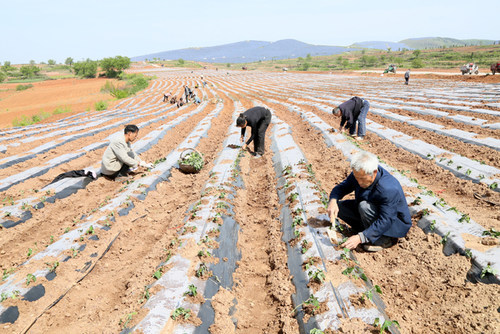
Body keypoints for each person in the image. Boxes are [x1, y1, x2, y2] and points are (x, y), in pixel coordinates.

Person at [327, 151, 411, 252]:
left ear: (374, 173)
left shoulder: (388, 188)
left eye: (362, 179)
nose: (359, 182)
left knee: (364, 207)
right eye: (356, 178)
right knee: (339, 207)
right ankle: (366, 230)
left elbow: (386, 220)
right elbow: (342, 187)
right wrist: (333, 201)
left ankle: (383, 240)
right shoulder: (360, 173)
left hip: (393, 223)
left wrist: (360, 238)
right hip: (371, 211)